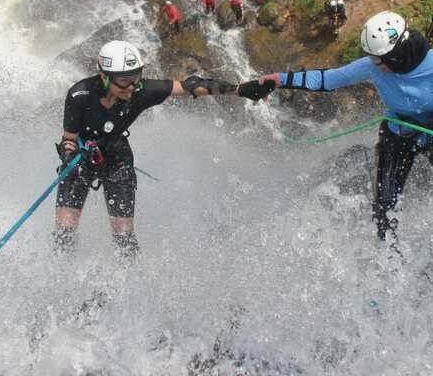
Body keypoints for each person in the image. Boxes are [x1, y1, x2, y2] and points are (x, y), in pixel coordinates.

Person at [255, 11, 433, 256]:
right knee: (384, 202)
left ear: (397, 53)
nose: (375, 65)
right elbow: (328, 79)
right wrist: (278, 79)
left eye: (379, 59)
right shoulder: (374, 65)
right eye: (373, 58)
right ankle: (388, 254)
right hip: (398, 133)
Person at [55, 40, 275, 259]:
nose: (132, 87)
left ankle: (125, 282)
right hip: (80, 161)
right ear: (104, 76)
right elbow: (68, 140)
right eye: (124, 81)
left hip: (117, 156)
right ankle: (63, 277)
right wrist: (71, 156)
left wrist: (240, 90)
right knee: (64, 232)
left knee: (124, 236)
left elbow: (190, 86)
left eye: (136, 78)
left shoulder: (141, 91)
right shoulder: (80, 95)